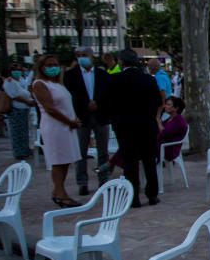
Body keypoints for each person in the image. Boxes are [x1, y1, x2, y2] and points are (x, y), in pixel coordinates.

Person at [100, 48, 161, 207]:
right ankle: (152, 194)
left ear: (121, 61)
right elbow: (156, 102)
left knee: (130, 161)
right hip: (146, 124)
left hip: (125, 125)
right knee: (149, 160)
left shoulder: (114, 80)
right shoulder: (149, 80)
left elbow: (108, 103)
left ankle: (134, 197)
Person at [31, 55, 83, 207]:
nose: (53, 67)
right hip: (55, 127)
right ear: (41, 67)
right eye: (49, 65)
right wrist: (69, 121)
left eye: (55, 64)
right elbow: (50, 109)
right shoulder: (39, 84)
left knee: (65, 160)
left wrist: (74, 119)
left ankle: (58, 190)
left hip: (67, 126)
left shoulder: (58, 84)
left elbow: (65, 105)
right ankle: (60, 193)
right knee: (58, 161)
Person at [64, 46, 111, 196]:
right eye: (78, 55)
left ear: (91, 56)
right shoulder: (71, 75)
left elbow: (107, 92)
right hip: (81, 116)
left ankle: (103, 179)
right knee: (81, 152)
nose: (81, 57)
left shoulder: (102, 74)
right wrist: (86, 104)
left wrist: (97, 102)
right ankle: (82, 182)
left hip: (100, 115)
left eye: (84, 55)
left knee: (103, 151)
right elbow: (71, 95)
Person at [3, 64, 35, 160]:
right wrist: (27, 101)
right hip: (16, 109)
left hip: (24, 108)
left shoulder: (21, 79)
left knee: (24, 131)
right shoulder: (9, 81)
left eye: (19, 70)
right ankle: (19, 152)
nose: (17, 72)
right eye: (14, 70)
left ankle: (25, 149)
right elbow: (14, 95)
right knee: (17, 131)